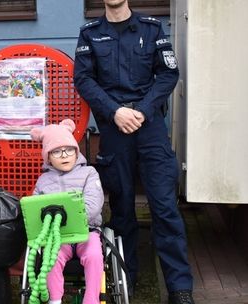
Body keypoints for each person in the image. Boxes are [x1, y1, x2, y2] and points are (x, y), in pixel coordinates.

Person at [73, 0, 194, 303]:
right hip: (114, 131)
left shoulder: (152, 29)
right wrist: (115, 112)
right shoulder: (90, 34)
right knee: (122, 209)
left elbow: (168, 73)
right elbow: (83, 79)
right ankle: (126, 281)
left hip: (149, 127)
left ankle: (179, 288)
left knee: (165, 208)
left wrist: (140, 110)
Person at [30, 119, 104, 304]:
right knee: (50, 257)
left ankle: (91, 300)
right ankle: (55, 300)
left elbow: (94, 205)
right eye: (57, 151)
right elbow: (35, 210)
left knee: (94, 255)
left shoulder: (89, 173)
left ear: (76, 151)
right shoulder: (43, 181)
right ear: (48, 157)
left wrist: (73, 220)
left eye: (69, 149)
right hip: (58, 237)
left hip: (86, 231)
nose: (64, 155)